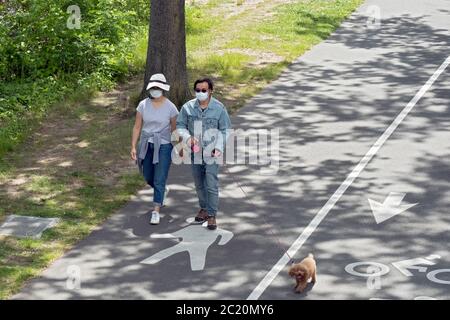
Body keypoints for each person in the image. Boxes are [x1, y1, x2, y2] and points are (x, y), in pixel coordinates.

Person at [176, 78, 232, 230]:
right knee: (199, 183)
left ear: (210, 90)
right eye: (198, 90)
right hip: (195, 152)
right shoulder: (187, 107)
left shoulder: (219, 108)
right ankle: (204, 208)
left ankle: (212, 215)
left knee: (211, 184)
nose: (201, 93)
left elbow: (225, 129)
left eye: (204, 90)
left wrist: (218, 147)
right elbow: (180, 125)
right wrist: (188, 138)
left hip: (212, 153)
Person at [131, 73, 179, 225]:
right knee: (147, 176)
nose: (155, 90)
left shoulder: (171, 107)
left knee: (159, 178)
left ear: (163, 89)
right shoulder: (143, 105)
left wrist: (178, 147)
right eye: (153, 87)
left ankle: (156, 210)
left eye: (158, 88)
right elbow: (137, 126)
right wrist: (133, 146)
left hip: (164, 145)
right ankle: (162, 190)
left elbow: (174, 130)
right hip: (146, 144)